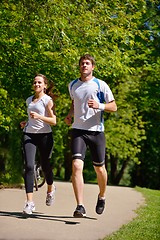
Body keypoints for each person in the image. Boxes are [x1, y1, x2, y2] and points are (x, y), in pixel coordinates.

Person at [65, 54, 117, 217]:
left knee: (99, 169)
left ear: (93, 67)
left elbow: (114, 107)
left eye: (87, 63)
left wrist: (99, 105)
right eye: (82, 63)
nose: (84, 66)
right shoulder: (72, 85)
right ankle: (80, 206)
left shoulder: (100, 85)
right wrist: (69, 115)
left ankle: (102, 196)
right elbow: (74, 103)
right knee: (76, 166)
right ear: (79, 66)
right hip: (78, 130)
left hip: (96, 131)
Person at [20, 74, 56, 215]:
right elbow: (31, 118)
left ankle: (51, 188)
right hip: (29, 134)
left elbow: (54, 121)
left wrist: (40, 117)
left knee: (46, 164)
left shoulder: (48, 101)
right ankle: (29, 203)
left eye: (39, 82)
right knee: (29, 166)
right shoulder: (29, 100)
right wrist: (25, 122)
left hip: (45, 136)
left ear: (45, 85)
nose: (36, 84)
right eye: (35, 82)